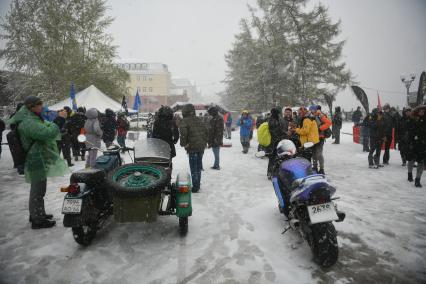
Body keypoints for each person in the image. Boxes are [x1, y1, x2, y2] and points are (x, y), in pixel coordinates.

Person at [8, 96, 68, 229]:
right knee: (38, 190)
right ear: (31, 107)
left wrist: (55, 121)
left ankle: (37, 213)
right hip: (34, 159)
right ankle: (37, 220)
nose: (42, 106)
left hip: (37, 157)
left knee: (39, 188)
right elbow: (46, 133)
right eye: (39, 104)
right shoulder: (29, 122)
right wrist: (60, 119)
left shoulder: (32, 117)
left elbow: (46, 125)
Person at [179, 104, 208, 193]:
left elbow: (183, 134)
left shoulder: (185, 121)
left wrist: (184, 144)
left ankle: (195, 186)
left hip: (192, 147)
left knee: (193, 167)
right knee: (198, 166)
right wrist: (204, 142)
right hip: (200, 147)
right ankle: (197, 184)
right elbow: (206, 132)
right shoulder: (199, 120)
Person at [406, 106, 426, 187]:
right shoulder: (412, 120)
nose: (422, 112)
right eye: (421, 111)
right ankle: (410, 174)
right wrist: (414, 136)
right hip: (413, 144)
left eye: (423, 111)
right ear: (417, 111)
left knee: (421, 162)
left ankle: (418, 179)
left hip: (423, 144)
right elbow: (409, 130)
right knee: (411, 160)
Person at [267, 107, 288, 178]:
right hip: (274, 141)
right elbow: (273, 130)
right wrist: (282, 134)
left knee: (279, 156)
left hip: (279, 140)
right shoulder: (272, 119)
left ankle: (276, 172)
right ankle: (270, 172)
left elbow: (282, 128)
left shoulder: (278, 118)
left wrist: (284, 134)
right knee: (273, 157)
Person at [312, 105, 332, 174]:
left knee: (319, 154)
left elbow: (329, 123)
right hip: (313, 138)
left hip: (320, 138)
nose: (314, 111)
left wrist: (320, 128)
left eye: (315, 109)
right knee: (314, 153)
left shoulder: (321, 116)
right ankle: (315, 167)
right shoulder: (312, 116)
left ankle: (321, 168)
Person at [8, 103, 25, 174]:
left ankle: (18, 164)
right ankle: (21, 167)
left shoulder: (14, 115)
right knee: (21, 151)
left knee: (16, 151)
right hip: (20, 135)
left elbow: (11, 125)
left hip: (14, 136)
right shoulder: (24, 115)